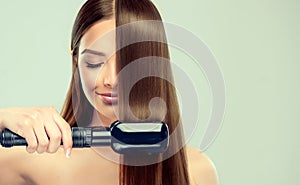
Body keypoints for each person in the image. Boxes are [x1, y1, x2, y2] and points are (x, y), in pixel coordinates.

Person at [0, 0, 218, 184]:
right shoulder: (26, 160)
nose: (110, 80)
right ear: (76, 62)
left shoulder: (197, 170)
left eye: (128, 63)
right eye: (94, 63)